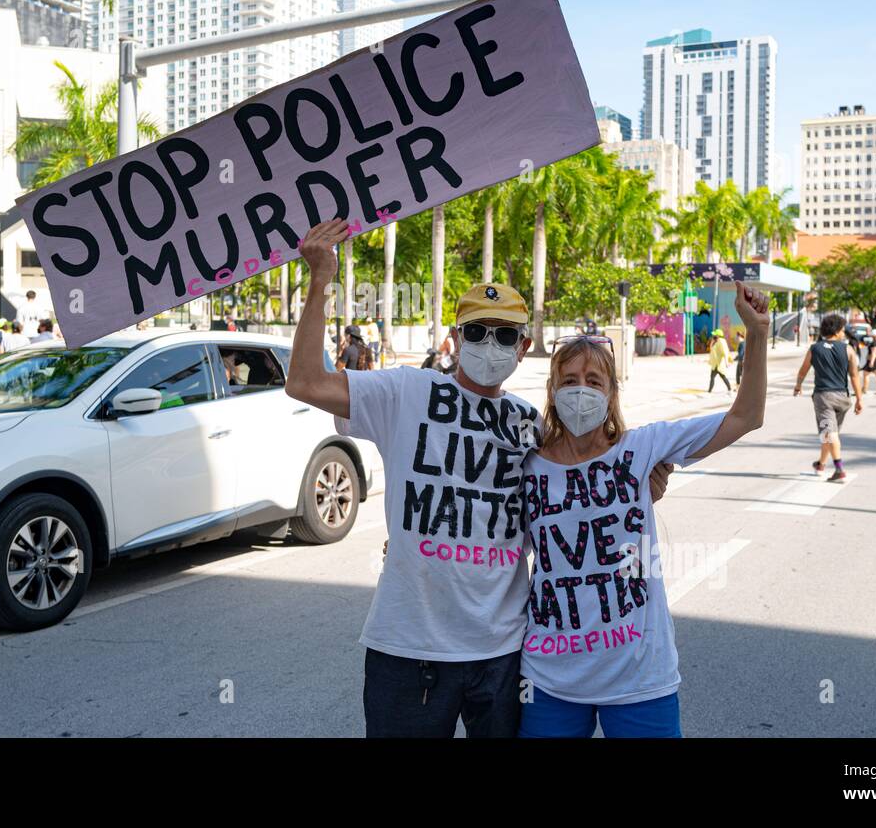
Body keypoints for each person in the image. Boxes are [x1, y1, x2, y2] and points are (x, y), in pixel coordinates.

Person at [284, 219, 673, 738]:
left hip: (505, 654)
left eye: (505, 334)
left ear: (522, 345)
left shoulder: (530, 424)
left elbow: (573, 494)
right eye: (476, 331)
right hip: (409, 649)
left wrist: (641, 488)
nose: (489, 345)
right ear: (455, 336)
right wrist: (319, 280)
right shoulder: (404, 392)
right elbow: (306, 382)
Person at [518, 282, 770, 738]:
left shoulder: (643, 448)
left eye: (593, 382)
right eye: (568, 381)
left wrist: (757, 333)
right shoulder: (527, 464)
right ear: (551, 390)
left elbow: (745, 417)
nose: (580, 391)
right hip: (547, 677)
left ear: (612, 393)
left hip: (639, 676)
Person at [794, 313, 863, 483]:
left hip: (823, 398)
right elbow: (854, 376)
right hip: (843, 397)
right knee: (830, 433)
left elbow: (803, 370)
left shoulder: (815, 348)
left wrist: (798, 385)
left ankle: (839, 469)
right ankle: (821, 464)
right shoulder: (848, 349)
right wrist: (859, 399)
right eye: (843, 330)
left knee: (829, 433)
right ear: (838, 331)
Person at [706, 328, 733, 394]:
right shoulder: (716, 341)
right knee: (713, 377)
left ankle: (729, 389)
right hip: (715, 364)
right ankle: (709, 390)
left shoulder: (722, 342)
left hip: (719, 364)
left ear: (718, 335)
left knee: (722, 377)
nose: (713, 336)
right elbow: (712, 349)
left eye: (715, 335)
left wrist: (727, 362)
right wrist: (712, 342)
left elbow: (725, 352)